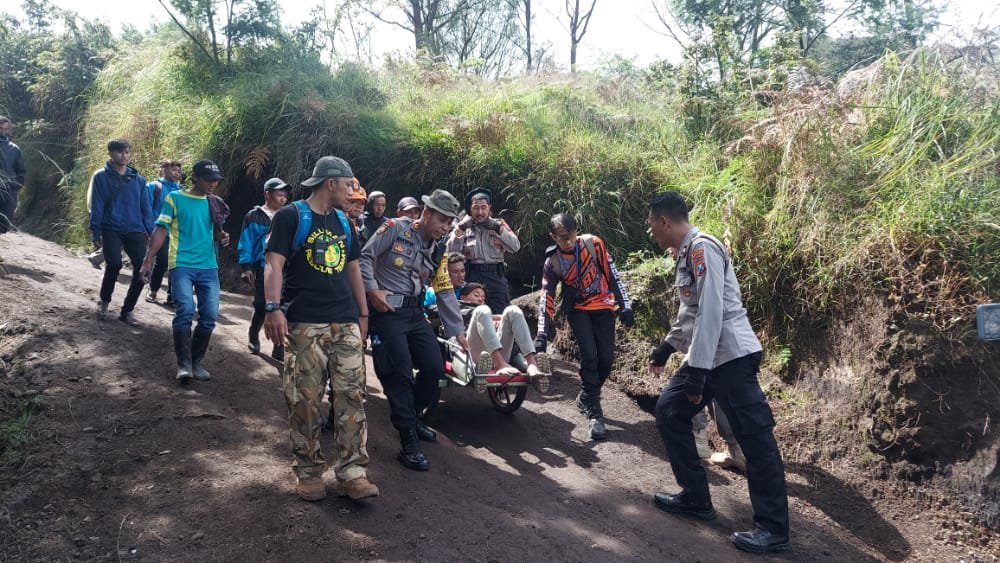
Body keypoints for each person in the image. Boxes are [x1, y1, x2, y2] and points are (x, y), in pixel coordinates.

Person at [645, 191, 789, 554]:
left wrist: (696, 373)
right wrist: (667, 346)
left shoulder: (701, 247)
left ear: (664, 222)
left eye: (652, 226)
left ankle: (773, 529)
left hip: (731, 358)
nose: (652, 234)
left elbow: (711, 311)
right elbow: (691, 313)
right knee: (670, 410)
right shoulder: (685, 255)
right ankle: (696, 498)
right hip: (707, 356)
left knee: (755, 438)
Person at [261, 156, 379, 503]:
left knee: (352, 397)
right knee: (305, 400)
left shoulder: (345, 221)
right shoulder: (291, 216)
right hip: (305, 323)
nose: (351, 191)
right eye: (347, 184)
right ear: (331, 183)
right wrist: (272, 309)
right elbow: (274, 264)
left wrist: (363, 315)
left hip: (345, 322)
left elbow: (354, 268)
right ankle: (309, 470)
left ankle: (352, 473)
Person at [360, 189, 468, 472]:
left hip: (415, 314)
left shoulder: (439, 247)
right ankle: (408, 441)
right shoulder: (395, 228)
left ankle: (414, 416)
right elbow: (365, 257)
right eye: (442, 220)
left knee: (434, 368)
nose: (445, 227)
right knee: (400, 375)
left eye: (450, 223)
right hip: (388, 313)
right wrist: (372, 291)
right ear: (427, 212)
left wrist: (458, 331)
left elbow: (443, 289)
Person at [535, 213, 633, 440]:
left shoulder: (593, 245)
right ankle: (594, 414)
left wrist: (625, 306)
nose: (567, 242)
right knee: (589, 356)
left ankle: (586, 395)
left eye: (569, 236)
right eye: (561, 238)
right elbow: (546, 297)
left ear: (576, 231)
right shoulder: (553, 262)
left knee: (606, 359)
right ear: (553, 237)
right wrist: (542, 332)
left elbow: (613, 274)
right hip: (578, 310)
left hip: (604, 306)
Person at [140, 159, 229, 383]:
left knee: (209, 316)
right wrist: (148, 259)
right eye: (209, 180)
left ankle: (196, 361)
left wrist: (223, 237)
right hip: (181, 264)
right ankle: (184, 364)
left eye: (216, 181)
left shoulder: (214, 202)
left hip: (209, 266)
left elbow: (217, 233)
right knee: (186, 310)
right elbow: (161, 230)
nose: (213, 184)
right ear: (195, 178)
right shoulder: (175, 198)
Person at [88, 139, 153, 326]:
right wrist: (96, 231)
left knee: (142, 270)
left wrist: (151, 231)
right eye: (119, 152)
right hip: (111, 228)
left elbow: (145, 208)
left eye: (126, 152)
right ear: (110, 154)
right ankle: (104, 301)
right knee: (114, 264)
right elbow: (97, 205)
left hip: (134, 228)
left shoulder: (139, 180)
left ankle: (127, 310)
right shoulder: (101, 177)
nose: (123, 156)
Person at [460, 282, 550, 391]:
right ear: (463, 297)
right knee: (482, 311)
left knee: (513, 310)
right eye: (476, 295)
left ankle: (532, 363)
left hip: (493, 355)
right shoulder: (456, 310)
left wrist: (500, 322)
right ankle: (499, 364)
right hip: (473, 355)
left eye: (483, 298)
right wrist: (493, 318)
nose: (480, 299)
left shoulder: (487, 315)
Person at [238, 177, 290, 360]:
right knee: (262, 305)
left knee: (283, 307)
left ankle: (279, 346)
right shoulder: (254, 216)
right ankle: (254, 333)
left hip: (285, 269)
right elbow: (246, 242)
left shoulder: (288, 216)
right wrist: (246, 267)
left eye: (285, 195)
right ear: (267, 195)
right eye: (279, 195)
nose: (283, 199)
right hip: (262, 267)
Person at [447, 187, 520, 314]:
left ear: (489, 208)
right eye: (476, 208)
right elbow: (450, 252)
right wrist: (461, 228)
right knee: (473, 314)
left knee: (501, 314)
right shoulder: (462, 227)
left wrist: (498, 229)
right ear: (470, 209)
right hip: (472, 276)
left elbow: (515, 247)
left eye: (483, 207)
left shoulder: (499, 225)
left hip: (496, 276)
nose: (480, 212)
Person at [145, 159, 183, 305]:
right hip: (159, 230)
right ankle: (153, 290)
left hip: (176, 234)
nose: (177, 173)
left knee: (176, 263)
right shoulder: (154, 187)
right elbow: (146, 209)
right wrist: (149, 230)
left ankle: (172, 296)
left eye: (179, 170)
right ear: (163, 169)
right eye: (173, 169)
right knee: (162, 261)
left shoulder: (180, 191)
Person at [0, 116, 26, 235]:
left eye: (6, 128)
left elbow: (21, 171)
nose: (4, 131)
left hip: (10, 190)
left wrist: (16, 186)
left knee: (4, 223)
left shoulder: (15, 149)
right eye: (1, 128)